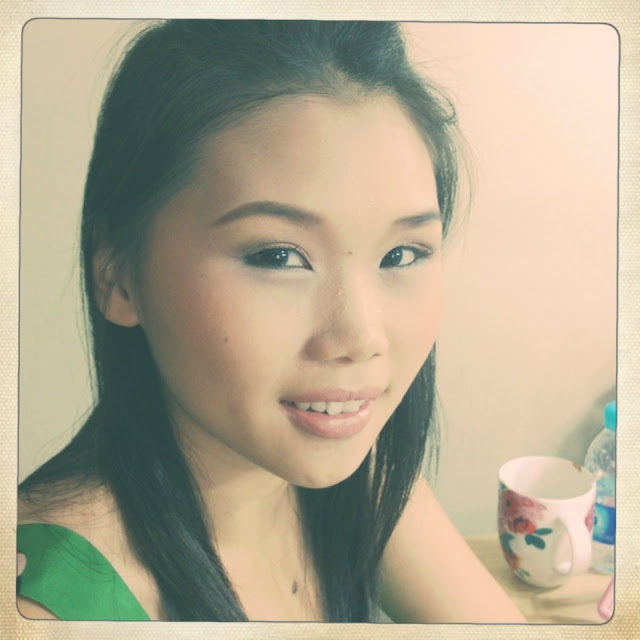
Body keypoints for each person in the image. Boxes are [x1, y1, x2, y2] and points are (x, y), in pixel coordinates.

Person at [17, 19, 526, 623]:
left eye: (401, 255)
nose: (360, 338)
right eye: (278, 256)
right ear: (117, 274)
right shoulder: (45, 605)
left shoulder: (358, 472)